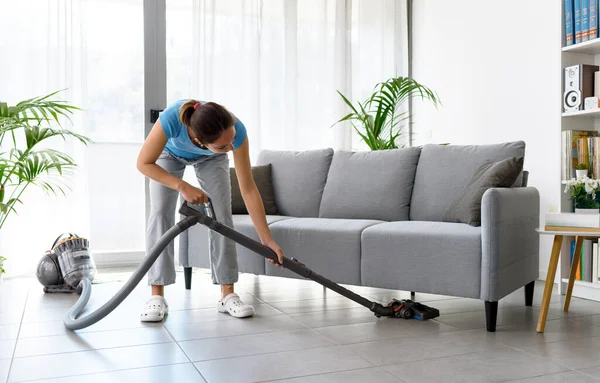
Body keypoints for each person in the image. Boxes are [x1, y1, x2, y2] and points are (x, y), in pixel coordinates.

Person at [136, 99, 285, 322]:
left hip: (210, 158)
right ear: (198, 140)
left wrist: (267, 239)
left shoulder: (236, 133)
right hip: (168, 155)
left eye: (232, 140)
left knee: (221, 214)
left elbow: (248, 188)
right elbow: (143, 163)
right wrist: (182, 186)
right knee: (160, 213)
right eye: (224, 146)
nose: (232, 148)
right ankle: (157, 295)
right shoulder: (170, 119)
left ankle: (227, 294)